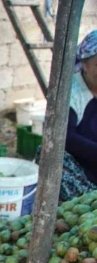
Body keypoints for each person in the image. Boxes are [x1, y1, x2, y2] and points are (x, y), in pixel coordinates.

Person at [37, 30, 97, 202]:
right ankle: (87, 200)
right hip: (81, 168)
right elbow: (64, 136)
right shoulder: (69, 91)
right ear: (85, 63)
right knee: (48, 154)